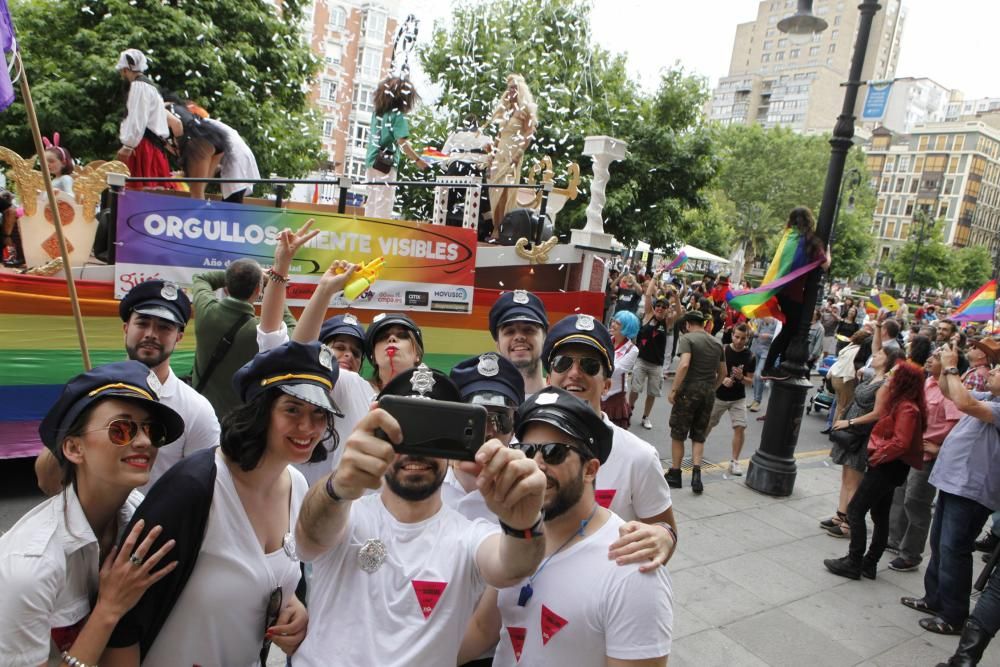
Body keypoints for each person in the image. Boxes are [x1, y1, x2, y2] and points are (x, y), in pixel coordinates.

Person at [291, 366, 547, 665]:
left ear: (453, 446)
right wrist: (337, 488)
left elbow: (512, 566)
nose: (416, 452)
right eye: (404, 434)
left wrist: (524, 524)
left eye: (433, 434)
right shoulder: (346, 513)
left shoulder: (469, 536)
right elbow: (309, 539)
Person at [103, 341, 337, 664]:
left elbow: (277, 582)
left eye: (319, 414)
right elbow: (122, 621)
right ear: (261, 409)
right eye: (292, 409)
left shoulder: (297, 486)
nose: (308, 427)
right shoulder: (195, 488)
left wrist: (294, 610)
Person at [459, 387, 673, 666]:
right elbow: (483, 629)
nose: (536, 465)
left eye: (554, 452)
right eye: (526, 450)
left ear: (590, 470)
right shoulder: (518, 536)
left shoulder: (630, 567)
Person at [0, 361, 183, 665]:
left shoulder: (140, 517)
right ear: (73, 449)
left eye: (152, 430)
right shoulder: (30, 568)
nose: (144, 442)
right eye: (121, 429)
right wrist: (109, 609)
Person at [34, 280, 221, 496]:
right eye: (142, 323)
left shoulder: (196, 410)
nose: (151, 333)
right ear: (125, 328)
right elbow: (47, 482)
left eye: (164, 327)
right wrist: (76, 419)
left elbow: (204, 489)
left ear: (178, 337)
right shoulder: (90, 393)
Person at [541, 314, 678, 561]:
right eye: (563, 363)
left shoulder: (640, 457)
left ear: (606, 385)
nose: (574, 373)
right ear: (548, 380)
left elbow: (664, 538)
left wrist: (662, 536)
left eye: (589, 365)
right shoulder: (525, 449)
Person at [901, 342, 1000, 636]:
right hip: (954, 481)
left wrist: (953, 366)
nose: (993, 371)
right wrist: (945, 366)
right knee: (940, 543)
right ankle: (934, 599)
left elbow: (965, 403)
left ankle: (953, 615)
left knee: (954, 549)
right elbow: (951, 394)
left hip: (972, 489)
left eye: (998, 370)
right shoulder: (989, 396)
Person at [191, 222, 315, 418]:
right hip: (240, 420)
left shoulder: (206, 312)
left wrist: (239, 276)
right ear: (258, 291)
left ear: (226, 287)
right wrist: (270, 286)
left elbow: (201, 278)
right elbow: (292, 327)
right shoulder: (261, 330)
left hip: (199, 413)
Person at [824, 361, 927, 580]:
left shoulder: (907, 407)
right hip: (890, 466)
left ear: (903, 381)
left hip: (887, 467)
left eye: (894, 375)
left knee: (856, 510)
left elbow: (901, 442)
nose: (890, 377)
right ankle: (868, 563)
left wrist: (878, 454)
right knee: (880, 515)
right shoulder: (903, 404)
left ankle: (854, 561)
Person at [886, 343, 964, 572]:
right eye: (931, 355)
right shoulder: (926, 382)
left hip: (927, 455)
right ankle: (894, 539)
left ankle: (911, 554)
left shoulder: (949, 390)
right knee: (900, 494)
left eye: (938, 357)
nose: (930, 360)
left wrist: (938, 447)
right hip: (909, 448)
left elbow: (955, 424)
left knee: (916, 502)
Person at [822, 345, 903, 538]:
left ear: (888, 361)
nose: (875, 355)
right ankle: (840, 515)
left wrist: (850, 421)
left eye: (880, 354)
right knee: (845, 475)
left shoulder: (884, 383)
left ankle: (849, 523)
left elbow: (878, 413)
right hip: (850, 427)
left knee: (853, 479)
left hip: (861, 432)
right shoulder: (871, 376)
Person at [760, 207, 831, 381]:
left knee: (790, 330)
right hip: (794, 294)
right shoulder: (810, 241)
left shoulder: (789, 237)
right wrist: (827, 250)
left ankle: (780, 364)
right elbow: (825, 264)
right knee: (791, 330)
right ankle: (769, 367)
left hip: (781, 291)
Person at [666, 310, 726, 494]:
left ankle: (675, 473)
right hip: (708, 392)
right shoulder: (717, 342)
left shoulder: (688, 339)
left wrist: (674, 389)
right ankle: (696, 474)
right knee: (699, 434)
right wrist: (711, 388)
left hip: (689, 391)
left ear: (687, 325)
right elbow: (723, 372)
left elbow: (684, 364)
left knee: (678, 432)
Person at [364, 76, 429, 218]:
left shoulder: (377, 113)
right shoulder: (397, 115)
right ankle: (379, 237)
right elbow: (402, 142)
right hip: (385, 164)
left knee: (372, 202)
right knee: (383, 205)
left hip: (371, 160)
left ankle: (367, 234)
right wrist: (418, 160)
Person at [114, 49, 176, 189]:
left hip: (144, 146)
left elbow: (137, 117)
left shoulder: (139, 86)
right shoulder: (150, 87)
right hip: (152, 144)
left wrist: (128, 145)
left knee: (141, 189)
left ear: (125, 69)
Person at [486, 74, 537, 240]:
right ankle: (496, 227)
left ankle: (500, 231)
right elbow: (499, 135)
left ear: (521, 90)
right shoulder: (505, 110)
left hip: (512, 157)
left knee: (505, 194)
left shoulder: (525, 110)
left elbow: (529, 134)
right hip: (499, 155)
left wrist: (518, 154)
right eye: (509, 88)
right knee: (495, 193)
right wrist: (491, 155)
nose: (511, 90)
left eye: (514, 87)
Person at [629, 281, 682, 430]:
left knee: (652, 392)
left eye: (664, 307)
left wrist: (677, 298)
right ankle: (629, 409)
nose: (660, 308)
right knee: (635, 388)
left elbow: (679, 313)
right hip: (641, 360)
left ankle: (646, 417)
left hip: (656, 365)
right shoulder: (648, 315)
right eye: (658, 305)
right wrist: (655, 277)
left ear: (666, 310)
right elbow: (647, 294)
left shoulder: (668, 322)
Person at [705, 323, 756, 476]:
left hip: (738, 398)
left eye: (743, 338)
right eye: (737, 337)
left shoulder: (750, 356)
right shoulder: (723, 350)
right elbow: (710, 371)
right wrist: (722, 379)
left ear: (747, 339)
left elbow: (751, 381)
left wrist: (741, 378)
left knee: (740, 427)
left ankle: (734, 461)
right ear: (732, 335)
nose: (739, 341)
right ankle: (697, 450)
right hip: (719, 396)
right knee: (707, 423)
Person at [489, 289, 549, 396]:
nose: (519, 337)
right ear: (498, 344)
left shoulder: (563, 401)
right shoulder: (484, 399)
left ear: (545, 339)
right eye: (509, 332)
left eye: (528, 330)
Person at [602, 310, 639, 428]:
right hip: (598, 392)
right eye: (613, 321)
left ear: (627, 328)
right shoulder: (605, 340)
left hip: (615, 397)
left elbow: (616, 370)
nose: (612, 324)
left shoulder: (632, 350)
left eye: (617, 323)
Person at [748, 316, 779, 412]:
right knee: (755, 377)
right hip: (758, 350)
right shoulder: (761, 320)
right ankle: (755, 400)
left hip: (767, 352)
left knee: (759, 375)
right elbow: (757, 334)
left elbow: (778, 336)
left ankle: (758, 401)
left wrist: (767, 336)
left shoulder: (777, 323)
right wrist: (752, 333)